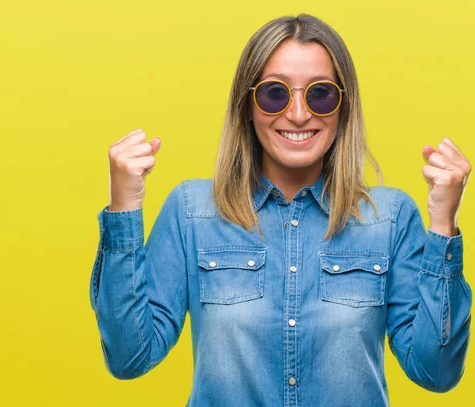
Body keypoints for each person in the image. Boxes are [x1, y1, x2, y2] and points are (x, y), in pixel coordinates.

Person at [89, 14, 471, 406]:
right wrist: (124, 208)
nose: (299, 114)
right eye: (275, 93)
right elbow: (128, 357)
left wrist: (443, 225)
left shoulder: (389, 219)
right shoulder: (191, 213)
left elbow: (436, 372)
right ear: (247, 105)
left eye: (320, 94)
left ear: (343, 106)